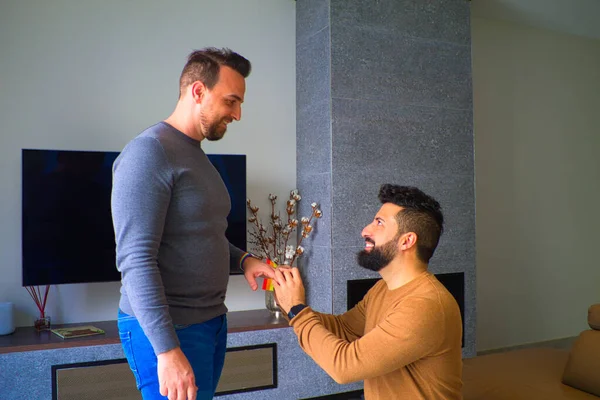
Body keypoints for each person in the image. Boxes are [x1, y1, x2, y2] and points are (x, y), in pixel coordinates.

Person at [111, 47, 275, 400]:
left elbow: (204, 234)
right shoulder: (149, 153)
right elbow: (135, 260)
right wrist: (167, 351)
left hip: (210, 322)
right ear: (198, 91)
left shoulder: (196, 156)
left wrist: (246, 260)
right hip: (170, 328)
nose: (238, 113)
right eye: (231, 101)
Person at [273, 184, 463, 400]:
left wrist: (297, 310)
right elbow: (344, 329)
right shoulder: (383, 287)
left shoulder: (425, 305)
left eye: (379, 223)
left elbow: (344, 367)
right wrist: (288, 299)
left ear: (407, 241)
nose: (365, 230)